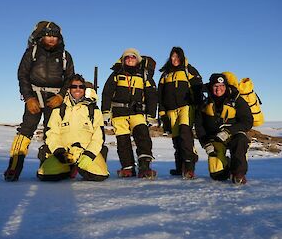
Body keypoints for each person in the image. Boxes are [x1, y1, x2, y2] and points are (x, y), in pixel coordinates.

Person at [4, 21, 75, 181]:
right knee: (26, 131)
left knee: (53, 133)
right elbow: (22, 75)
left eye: (55, 36)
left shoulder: (65, 56)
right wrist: (29, 98)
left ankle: (49, 168)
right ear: (42, 36)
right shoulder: (32, 52)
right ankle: (13, 168)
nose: (51, 38)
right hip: (34, 96)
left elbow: (69, 78)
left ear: (59, 38)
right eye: (48, 35)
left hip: (55, 99)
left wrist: (61, 96)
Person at [37, 74, 109, 181]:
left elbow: (99, 137)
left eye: (81, 87)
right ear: (69, 89)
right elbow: (52, 134)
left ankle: (80, 166)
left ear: (85, 89)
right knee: (46, 174)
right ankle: (69, 167)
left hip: (85, 152)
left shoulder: (94, 110)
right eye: (74, 86)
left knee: (99, 174)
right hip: (65, 152)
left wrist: (89, 154)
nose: (77, 89)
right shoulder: (58, 109)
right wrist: (59, 152)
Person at [101, 48, 158, 178]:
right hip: (119, 113)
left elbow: (151, 96)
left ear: (137, 60)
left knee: (143, 137)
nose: (130, 59)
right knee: (123, 141)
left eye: (133, 57)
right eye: (127, 57)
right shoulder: (116, 74)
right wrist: (105, 112)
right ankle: (128, 168)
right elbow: (107, 93)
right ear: (123, 60)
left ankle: (144, 167)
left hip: (137, 113)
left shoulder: (144, 75)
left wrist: (151, 115)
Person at [195, 73, 253, 184]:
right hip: (215, 138)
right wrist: (206, 143)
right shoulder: (204, 102)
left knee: (240, 141)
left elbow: (247, 121)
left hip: (234, 134)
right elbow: (199, 126)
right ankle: (226, 165)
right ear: (211, 87)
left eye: (221, 86)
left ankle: (238, 173)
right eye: (215, 86)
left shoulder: (236, 99)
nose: (219, 89)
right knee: (218, 176)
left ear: (226, 86)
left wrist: (228, 131)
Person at [158, 47, 203, 178]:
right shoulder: (165, 74)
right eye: (173, 57)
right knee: (176, 140)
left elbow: (198, 89)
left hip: (186, 108)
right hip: (170, 111)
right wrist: (162, 112)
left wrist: (198, 106)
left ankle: (189, 168)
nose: (175, 59)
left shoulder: (189, 70)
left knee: (185, 135)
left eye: (177, 57)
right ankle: (179, 167)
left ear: (182, 57)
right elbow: (159, 95)